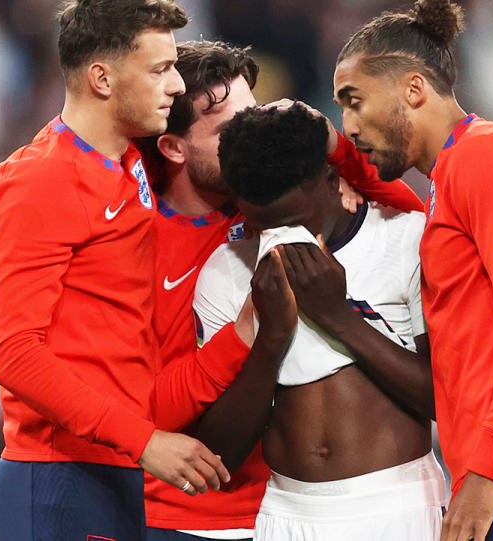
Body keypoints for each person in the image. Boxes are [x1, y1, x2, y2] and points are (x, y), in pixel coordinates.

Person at [136, 41, 425, 541]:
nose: (253, 136)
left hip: (396, 502)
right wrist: (261, 334)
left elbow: (447, 396)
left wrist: (332, 145)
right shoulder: (212, 260)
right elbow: (154, 414)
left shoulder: (398, 233)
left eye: (259, 114)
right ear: (175, 147)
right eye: (231, 131)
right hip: (227, 514)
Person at [332, 1, 493, 540]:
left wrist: (484, 470)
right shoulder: (449, 175)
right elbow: (375, 177)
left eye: (355, 102)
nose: (349, 125)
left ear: (413, 90)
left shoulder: (487, 157)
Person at [0, 2, 230, 540]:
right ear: (101, 78)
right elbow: (13, 351)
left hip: (112, 469)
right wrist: (144, 440)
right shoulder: (42, 181)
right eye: (160, 69)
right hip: (54, 476)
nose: (178, 85)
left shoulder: (130, 163)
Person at [191, 103, 444, 541]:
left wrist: (337, 316)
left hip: (400, 504)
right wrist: (270, 337)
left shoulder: (406, 238)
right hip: (286, 513)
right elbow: (220, 455)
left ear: (330, 181)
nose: (280, 239)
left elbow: (443, 401)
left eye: (294, 221)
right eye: (261, 223)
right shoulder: (225, 271)